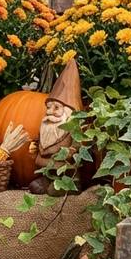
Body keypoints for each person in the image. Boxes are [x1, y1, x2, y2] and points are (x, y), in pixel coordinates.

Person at [28, 57, 82, 195]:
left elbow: (78, 145)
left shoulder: (73, 127)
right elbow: (39, 140)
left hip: (65, 169)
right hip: (47, 169)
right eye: (48, 107)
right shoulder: (46, 125)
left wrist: (70, 151)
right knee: (35, 186)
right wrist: (34, 149)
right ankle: (48, 180)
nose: (49, 112)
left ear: (69, 112)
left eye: (56, 107)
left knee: (54, 190)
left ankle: (70, 183)